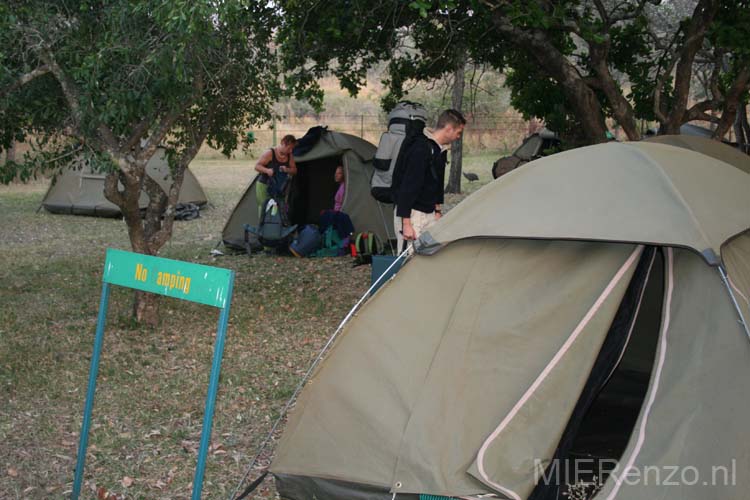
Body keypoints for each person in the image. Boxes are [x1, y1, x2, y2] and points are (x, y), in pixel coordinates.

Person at [395, 109, 466, 252]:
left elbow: (437, 183)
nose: (458, 137)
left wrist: (437, 211)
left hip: (429, 213)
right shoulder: (420, 148)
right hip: (413, 214)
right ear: (448, 128)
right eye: (458, 132)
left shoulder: (440, 150)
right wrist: (406, 223)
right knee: (409, 260)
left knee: (433, 255)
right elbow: (407, 187)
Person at [254, 134, 298, 218]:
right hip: (264, 185)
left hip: (279, 188)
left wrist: (286, 169)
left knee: (278, 210)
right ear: (283, 143)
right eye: (289, 148)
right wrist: (267, 170)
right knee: (264, 208)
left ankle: (274, 229)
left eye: (292, 148)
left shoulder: (289, 156)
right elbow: (257, 166)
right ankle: (263, 228)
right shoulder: (270, 153)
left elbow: (294, 170)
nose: (291, 151)